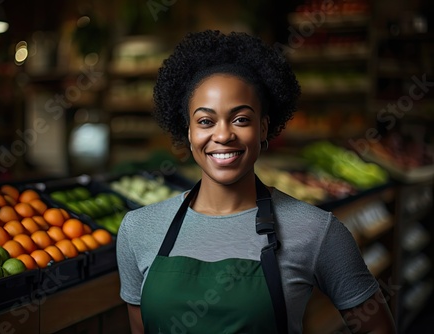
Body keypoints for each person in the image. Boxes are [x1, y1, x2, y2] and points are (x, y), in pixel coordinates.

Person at [116, 30, 396, 334]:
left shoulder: (316, 230)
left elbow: (376, 328)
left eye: (241, 119)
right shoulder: (138, 229)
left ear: (263, 128)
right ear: (188, 132)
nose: (223, 136)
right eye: (206, 121)